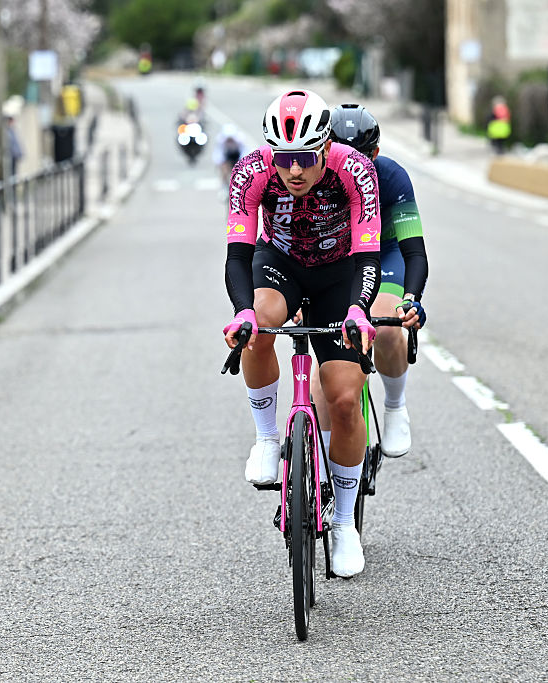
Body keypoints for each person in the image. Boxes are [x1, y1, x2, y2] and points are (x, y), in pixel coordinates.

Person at [222, 89, 383, 578]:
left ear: (326, 148)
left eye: (306, 160)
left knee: (341, 399)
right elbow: (237, 255)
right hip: (282, 265)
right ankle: (267, 439)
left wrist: (359, 308)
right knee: (260, 322)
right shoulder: (251, 172)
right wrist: (242, 313)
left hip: (342, 273)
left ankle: (343, 525)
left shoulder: (355, 170)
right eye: (285, 160)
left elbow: (369, 254)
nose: (294, 172)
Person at [314, 104, 428, 459]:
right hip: (336, 260)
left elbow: (414, 252)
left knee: (388, 327)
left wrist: (410, 298)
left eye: (359, 156)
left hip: (384, 254)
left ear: (374, 154)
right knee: (325, 366)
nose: (350, 165)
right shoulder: (312, 176)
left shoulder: (392, 178)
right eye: (338, 153)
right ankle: (322, 464)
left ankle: (395, 406)